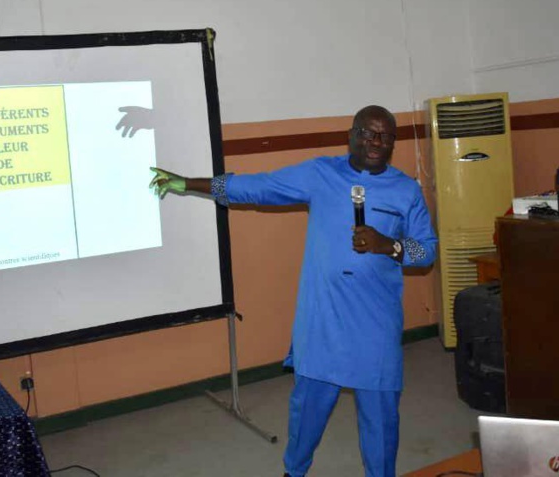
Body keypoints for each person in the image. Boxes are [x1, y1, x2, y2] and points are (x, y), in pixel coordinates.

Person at [150, 105, 437, 477]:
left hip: (374, 326)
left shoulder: (406, 190)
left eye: (384, 136)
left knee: (381, 420)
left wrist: (390, 246)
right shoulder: (321, 174)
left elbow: (427, 249)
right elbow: (258, 186)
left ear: (393, 144)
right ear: (350, 134)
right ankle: (294, 471)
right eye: (367, 132)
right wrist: (188, 183)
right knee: (307, 412)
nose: (375, 142)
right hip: (323, 320)